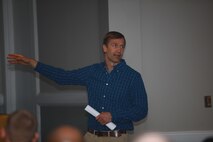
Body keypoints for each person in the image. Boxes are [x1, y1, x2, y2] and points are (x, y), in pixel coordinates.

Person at [7, 31, 148, 142]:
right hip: (91, 137)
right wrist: (34, 64)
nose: (119, 50)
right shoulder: (93, 71)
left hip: (117, 138)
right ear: (104, 48)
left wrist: (113, 116)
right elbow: (63, 77)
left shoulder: (133, 77)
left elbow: (141, 110)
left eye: (122, 46)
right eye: (114, 45)